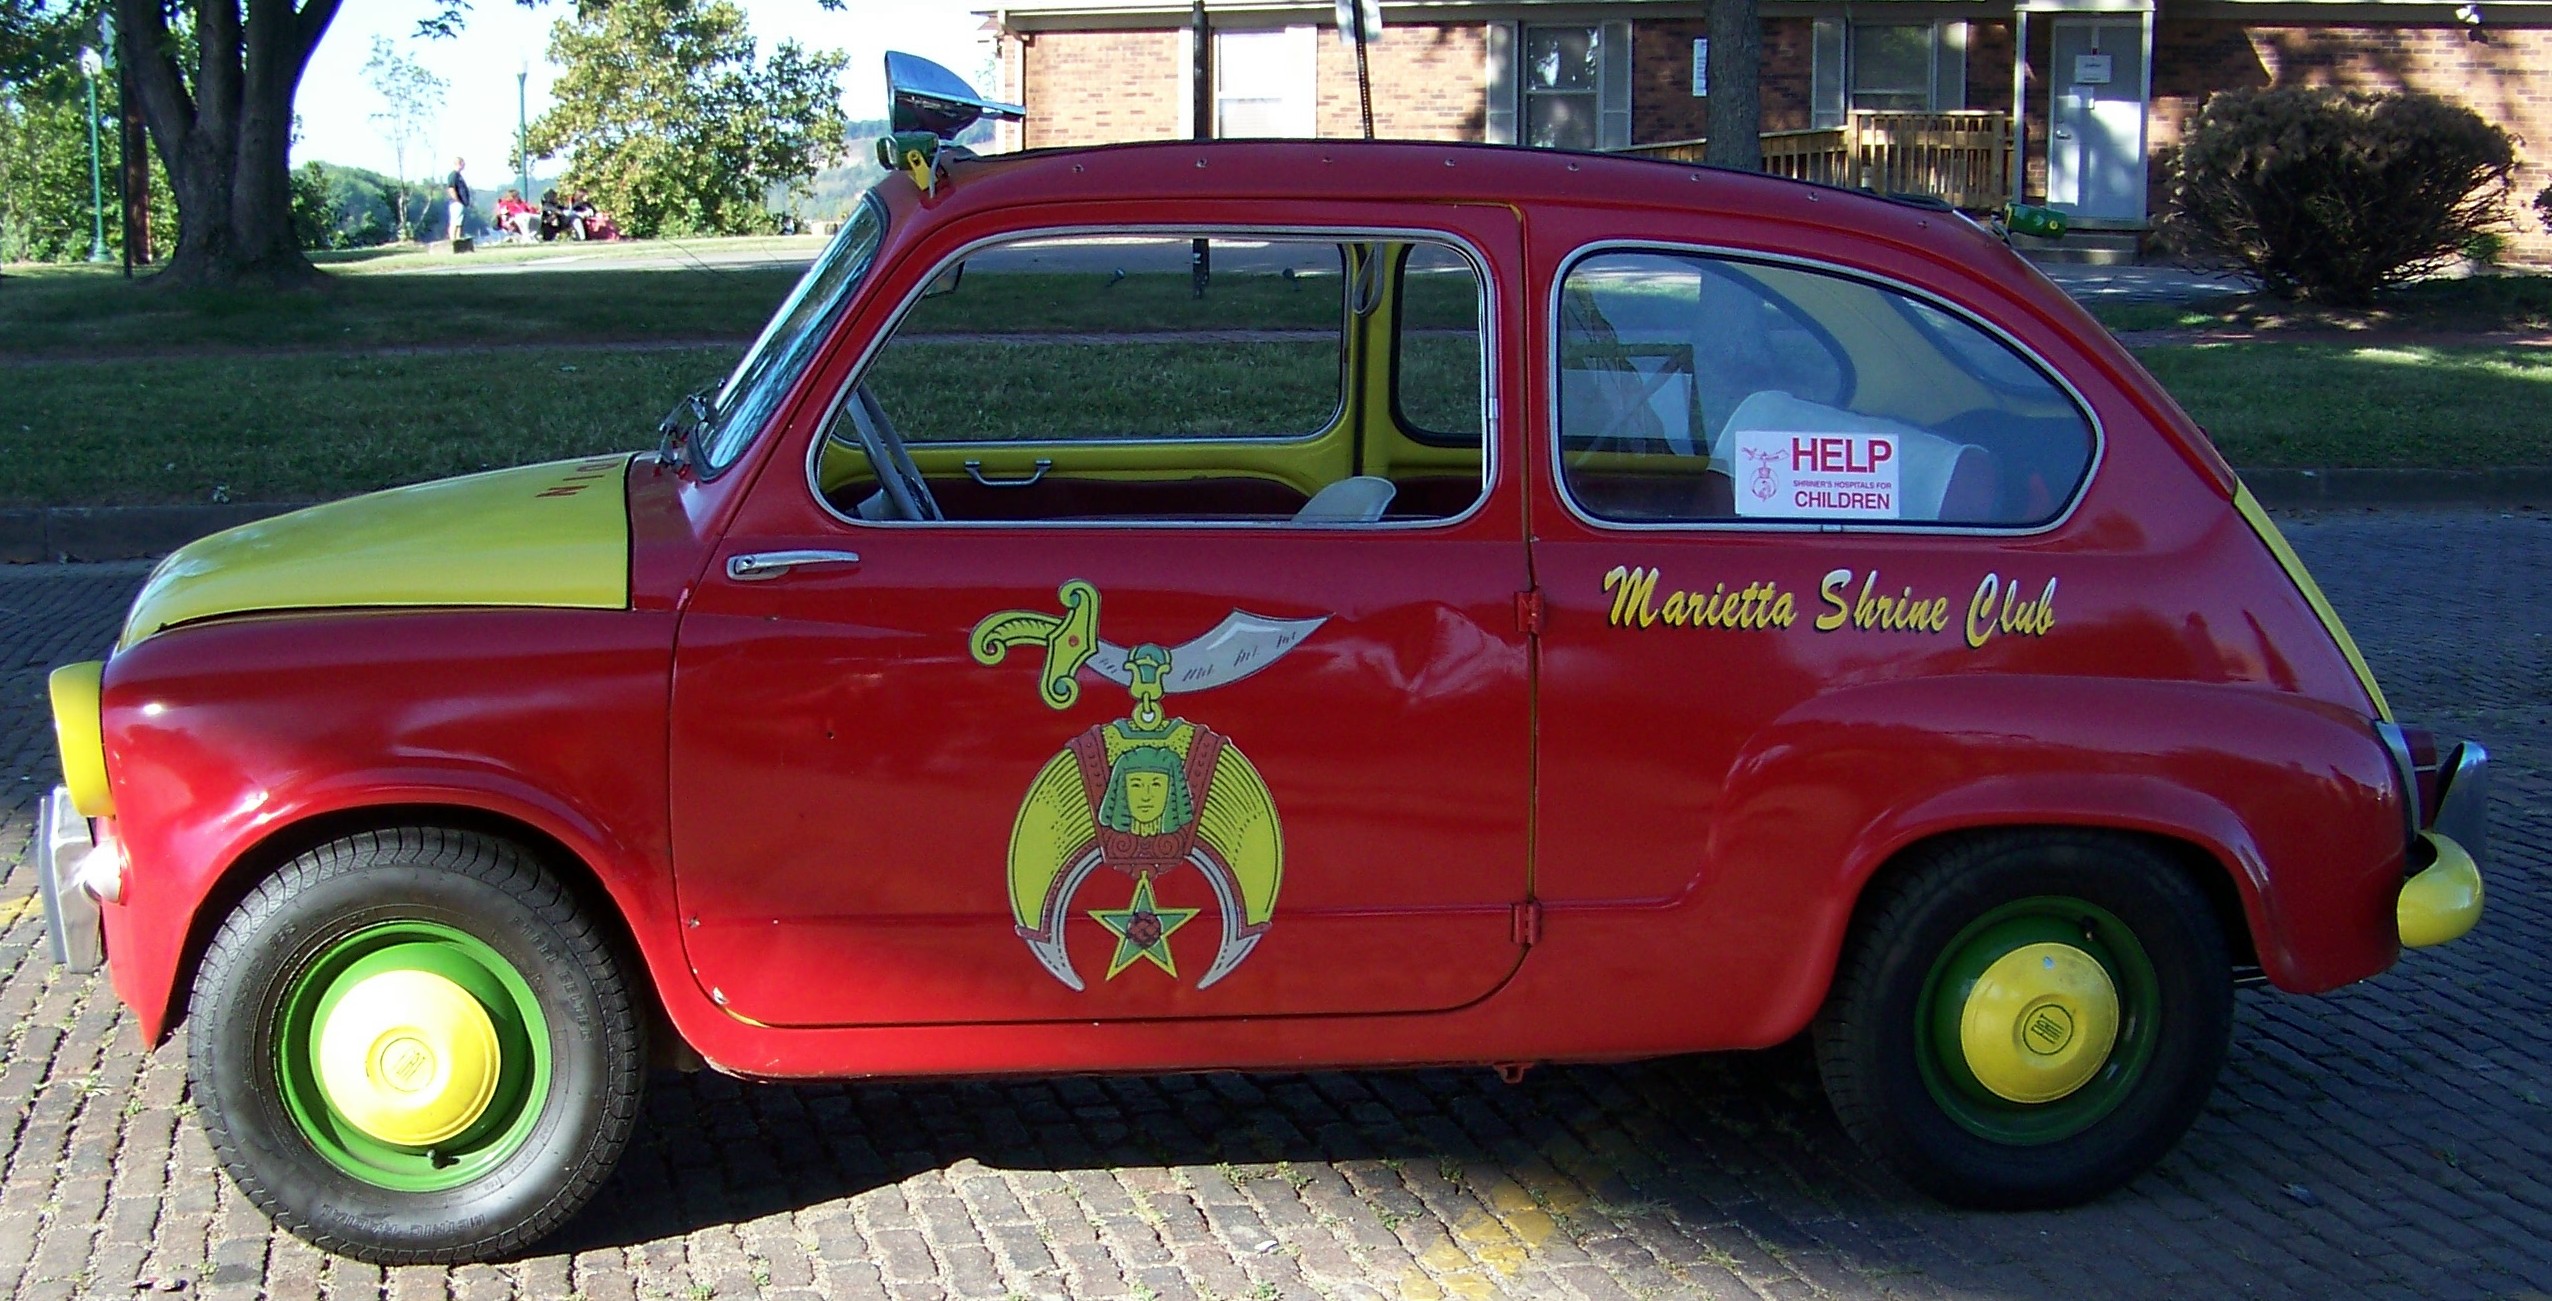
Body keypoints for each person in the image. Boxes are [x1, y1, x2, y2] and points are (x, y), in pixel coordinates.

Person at [445, 157, 470, 242]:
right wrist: (457, 200)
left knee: (459, 223)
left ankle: (458, 239)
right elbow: (451, 189)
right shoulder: (453, 175)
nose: (464, 165)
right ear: (459, 164)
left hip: (461, 203)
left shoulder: (459, 175)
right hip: (456, 203)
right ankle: (453, 240)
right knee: (455, 223)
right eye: (463, 163)